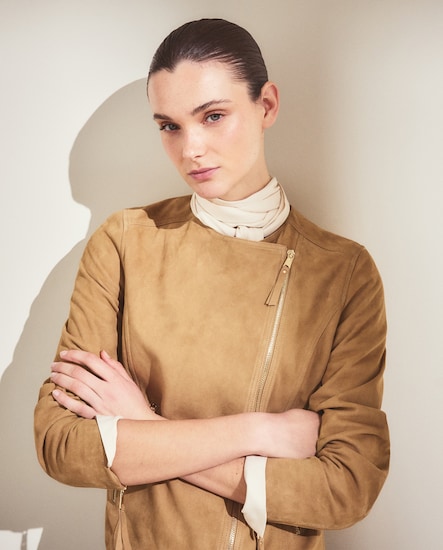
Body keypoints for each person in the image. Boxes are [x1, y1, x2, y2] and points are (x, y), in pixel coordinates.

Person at [34, 18, 389, 550]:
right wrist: (258, 431)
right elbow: (61, 443)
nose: (191, 149)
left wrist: (140, 424)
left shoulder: (343, 272)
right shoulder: (125, 242)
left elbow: (347, 488)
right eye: (169, 126)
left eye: (213, 116)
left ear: (266, 105)